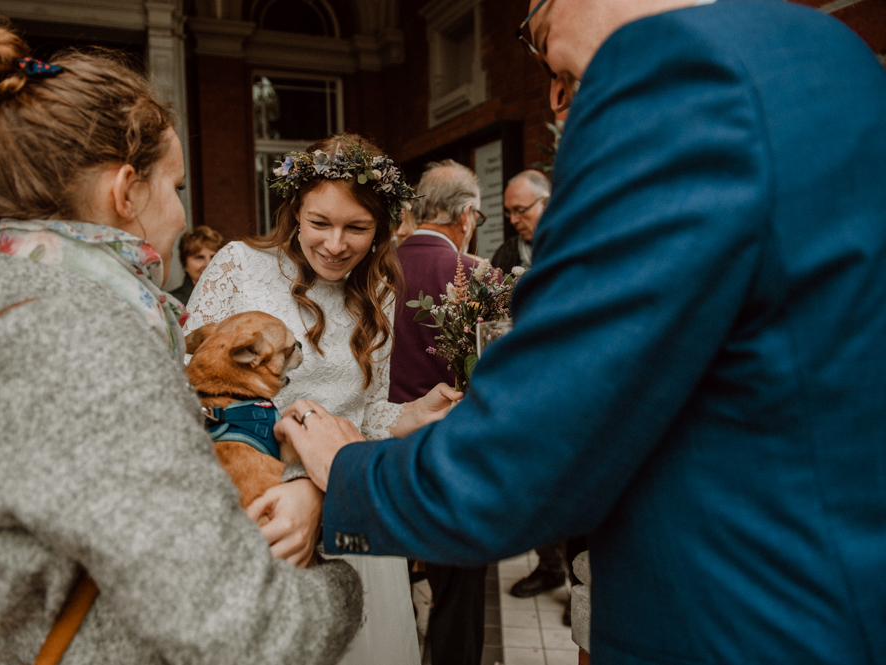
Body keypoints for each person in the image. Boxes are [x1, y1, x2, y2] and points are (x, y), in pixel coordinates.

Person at [275, 1, 886, 663]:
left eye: (537, 34)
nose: (556, 96)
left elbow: (526, 455)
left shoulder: (674, 71)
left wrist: (345, 471)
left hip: (726, 622)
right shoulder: (833, 50)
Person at [0, 20, 362, 665]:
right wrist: (336, 582)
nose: (182, 214)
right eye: (176, 188)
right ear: (126, 189)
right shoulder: (83, 342)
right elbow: (243, 629)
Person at [185, 133, 461, 665]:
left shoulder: (378, 290)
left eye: (356, 228)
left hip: (346, 502)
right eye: (320, 224)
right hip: (257, 509)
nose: (336, 244)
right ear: (293, 214)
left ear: (381, 229)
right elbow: (187, 388)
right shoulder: (238, 264)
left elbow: (364, 413)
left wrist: (413, 412)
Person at [388, 159, 487, 665]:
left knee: (389, 582)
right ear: (467, 215)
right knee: (458, 591)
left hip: (383, 445)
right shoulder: (473, 275)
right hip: (451, 453)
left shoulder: (378, 265)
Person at [491, 169, 549, 275]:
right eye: (509, 212)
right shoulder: (504, 255)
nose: (513, 220)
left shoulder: (570, 245)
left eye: (520, 210)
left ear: (545, 203)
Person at [170, 225, 224, 304]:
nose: (208, 265)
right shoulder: (172, 302)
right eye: (199, 257)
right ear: (185, 264)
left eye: (213, 257)